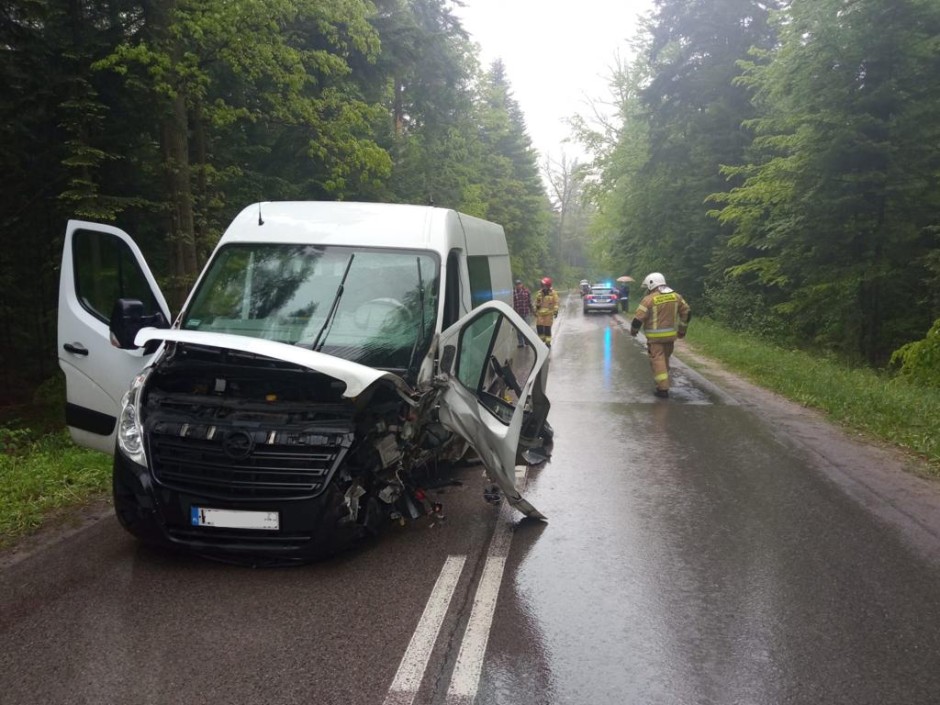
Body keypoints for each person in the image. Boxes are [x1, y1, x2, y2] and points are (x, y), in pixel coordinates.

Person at [630, 272, 691, 398]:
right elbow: (687, 312)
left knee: (658, 360)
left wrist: (634, 331)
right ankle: (663, 383)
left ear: (652, 284)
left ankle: (662, 389)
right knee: (665, 360)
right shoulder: (676, 297)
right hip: (670, 337)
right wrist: (682, 330)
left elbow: (638, 318)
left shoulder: (648, 299)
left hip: (655, 339)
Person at [534, 276, 560, 347]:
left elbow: (556, 302)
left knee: (547, 328)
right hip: (540, 314)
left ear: (548, 286)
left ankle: (548, 342)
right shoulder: (539, 293)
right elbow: (536, 302)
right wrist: (536, 309)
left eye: (544, 285)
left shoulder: (553, 293)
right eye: (542, 285)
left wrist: (555, 311)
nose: (542, 286)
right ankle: (541, 340)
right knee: (539, 327)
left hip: (548, 314)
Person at [512, 278, 533, 347]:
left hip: (526, 312)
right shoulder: (513, 293)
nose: (518, 286)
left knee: (527, 328)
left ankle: (527, 342)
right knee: (519, 329)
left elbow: (530, 302)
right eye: (517, 284)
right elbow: (513, 303)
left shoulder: (527, 291)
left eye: (519, 284)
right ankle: (521, 343)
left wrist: (532, 311)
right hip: (518, 314)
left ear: (522, 284)